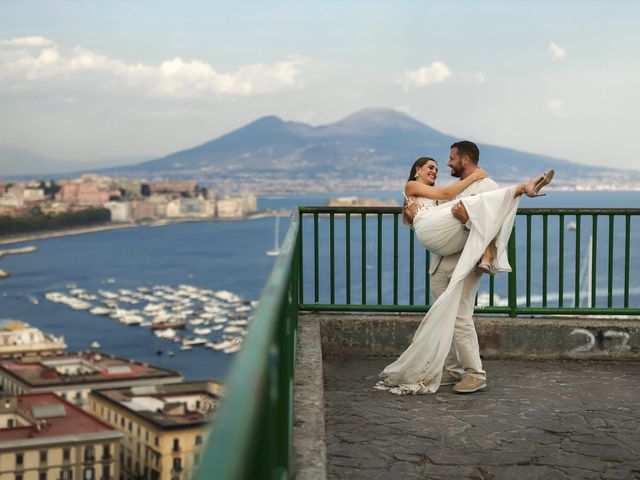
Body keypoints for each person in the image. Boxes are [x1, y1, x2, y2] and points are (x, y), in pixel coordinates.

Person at [376, 142, 553, 395]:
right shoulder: (440, 190)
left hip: (467, 260)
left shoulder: (488, 187)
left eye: (450, 159)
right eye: (435, 165)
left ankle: (475, 373)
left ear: (465, 159)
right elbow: (434, 220)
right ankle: (452, 369)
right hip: (440, 260)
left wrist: (471, 225)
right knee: (442, 315)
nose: (446, 165)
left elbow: (492, 225)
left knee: (460, 317)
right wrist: (411, 212)